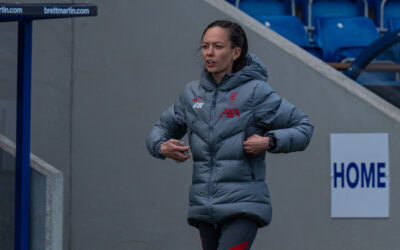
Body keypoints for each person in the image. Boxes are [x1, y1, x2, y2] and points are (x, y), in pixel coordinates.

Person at [146, 20, 313, 250]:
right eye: (205, 46)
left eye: (217, 46)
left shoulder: (256, 92)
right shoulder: (191, 94)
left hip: (243, 206)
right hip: (204, 208)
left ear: (236, 52)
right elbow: (159, 130)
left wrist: (269, 141)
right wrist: (161, 147)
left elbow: (303, 128)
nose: (209, 53)